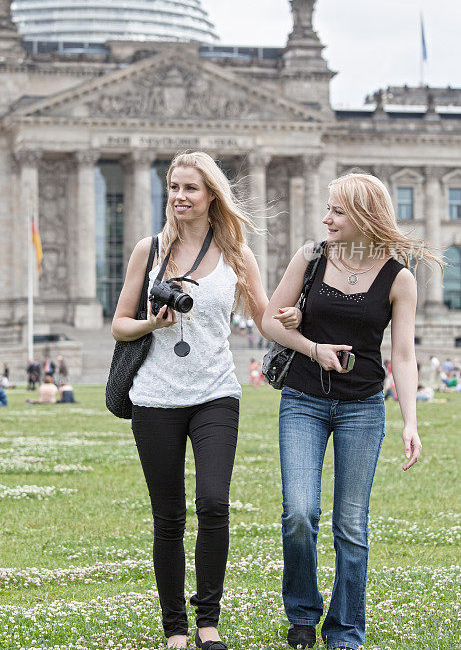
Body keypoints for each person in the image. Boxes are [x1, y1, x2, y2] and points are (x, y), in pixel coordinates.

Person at [112, 150, 300, 650]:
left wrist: (298, 323)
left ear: (211, 194)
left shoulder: (237, 251)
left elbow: (264, 319)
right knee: (168, 516)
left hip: (216, 392)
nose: (178, 197)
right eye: (172, 187)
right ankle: (175, 628)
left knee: (215, 503)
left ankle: (208, 623)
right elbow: (120, 324)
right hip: (154, 397)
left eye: (190, 188)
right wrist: (153, 322)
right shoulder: (147, 250)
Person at [262, 171, 441, 650]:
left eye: (337, 211)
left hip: (362, 407)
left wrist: (410, 421)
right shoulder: (311, 256)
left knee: (351, 524)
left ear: (364, 215)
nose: (327, 218)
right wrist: (308, 342)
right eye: (328, 209)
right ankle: (302, 613)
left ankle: (344, 630)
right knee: (299, 513)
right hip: (303, 400)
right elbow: (268, 321)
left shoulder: (399, 278)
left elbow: (402, 356)